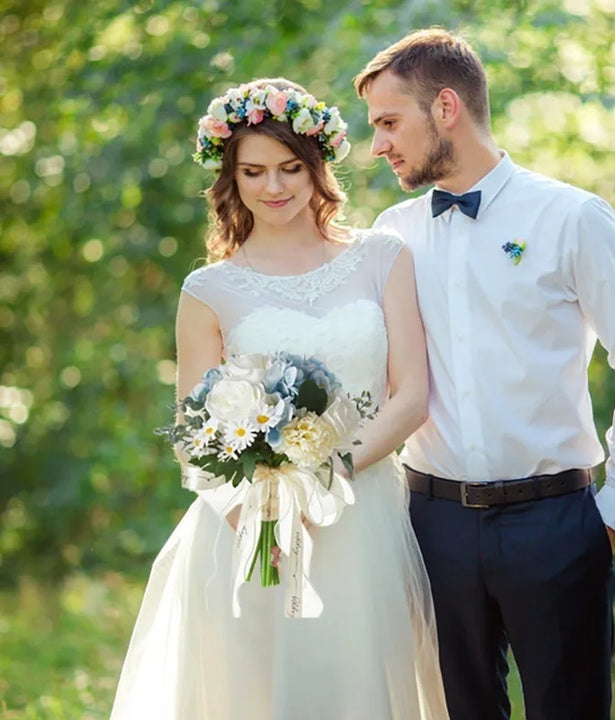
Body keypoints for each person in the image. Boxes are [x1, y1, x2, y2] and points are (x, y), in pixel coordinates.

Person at [356, 29, 615, 720]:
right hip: (430, 525)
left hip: (556, 523)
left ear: (445, 106)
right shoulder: (391, 233)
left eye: (388, 122)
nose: (377, 145)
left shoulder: (573, 218)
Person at [110, 78, 449, 720]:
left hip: (365, 514)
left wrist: (327, 480)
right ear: (229, 179)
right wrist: (262, 519)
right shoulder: (209, 289)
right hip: (253, 528)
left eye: (291, 167)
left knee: (357, 687)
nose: (275, 187)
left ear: (317, 165)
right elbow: (194, 434)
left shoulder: (382, 258)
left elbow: (411, 398)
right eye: (255, 171)